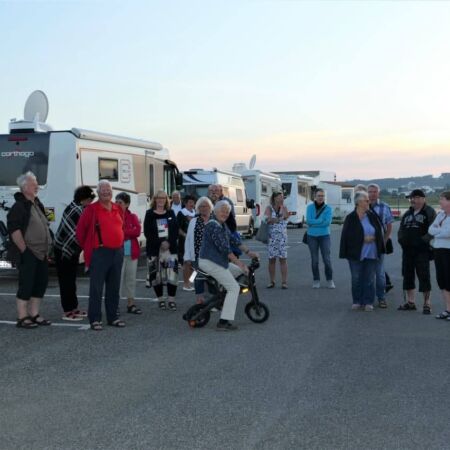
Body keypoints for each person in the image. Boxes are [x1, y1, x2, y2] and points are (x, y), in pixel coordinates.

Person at [199, 200, 258, 330]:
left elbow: (234, 240)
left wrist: (249, 252)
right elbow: (225, 249)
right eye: (222, 211)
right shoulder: (213, 226)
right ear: (215, 211)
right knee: (234, 288)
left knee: (240, 272)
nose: (225, 214)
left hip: (218, 262)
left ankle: (222, 297)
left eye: (227, 212)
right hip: (209, 262)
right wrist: (240, 263)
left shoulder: (222, 224)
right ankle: (223, 322)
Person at [76, 180, 125, 330]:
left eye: (108, 190)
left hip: (117, 252)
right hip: (100, 253)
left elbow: (121, 226)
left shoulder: (117, 208)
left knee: (114, 287)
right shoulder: (91, 209)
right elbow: (80, 233)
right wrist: (89, 247)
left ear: (112, 192)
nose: (106, 192)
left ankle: (113, 317)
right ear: (97, 193)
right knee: (96, 288)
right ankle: (95, 319)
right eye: (103, 190)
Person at [7, 171, 52, 328]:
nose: (37, 186)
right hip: (29, 253)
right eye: (34, 183)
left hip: (42, 253)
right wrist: (24, 251)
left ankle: (34, 314)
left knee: (40, 284)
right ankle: (22, 317)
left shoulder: (37, 204)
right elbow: (14, 231)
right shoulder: (19, 207)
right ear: (25, 187)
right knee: (26, 285)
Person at [54, 185, 95, 321]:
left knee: (71, 280)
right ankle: (67, 310)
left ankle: (74, 307)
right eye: (89, 200)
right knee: (66, 281)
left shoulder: (77, 207)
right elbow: (76, 233)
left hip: (70, 250)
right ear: (83, 199)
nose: (90, 202)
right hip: (63, 250)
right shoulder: (76, 210)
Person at [339, 191, 385, 311]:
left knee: (369, 278)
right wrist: (363, 239)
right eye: (366, 201)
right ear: (359, 202)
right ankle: (357, 300)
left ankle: (368, 301)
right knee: (356, 278)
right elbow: (346, 237)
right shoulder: (351, 218)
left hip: (371, 252)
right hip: (355, 253)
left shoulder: (372, 215)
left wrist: (375, 238)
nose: (368, 202)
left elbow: (379, 232)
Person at [397, 189, 436, 314]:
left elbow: (434, 229)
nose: (413, 200)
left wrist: (423, 241)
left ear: (422, 199)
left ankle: (427, 303)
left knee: (424, 276)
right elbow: (401, 229)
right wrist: (401, 240)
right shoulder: (408, 213)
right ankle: (410, 302)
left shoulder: (429, 211)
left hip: (422, 250)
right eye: (411, 198)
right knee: (407, 276)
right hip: (407, 250)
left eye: (415, 198)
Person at [144, 190, 179, 311]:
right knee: (156, 276)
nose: (161, 200)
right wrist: (161, 243)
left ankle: (171, 300)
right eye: (158, 198)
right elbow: (147, 232)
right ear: (155, 199)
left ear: (166, 200)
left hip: (170, 250)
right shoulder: (149, 214)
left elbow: (175, 230)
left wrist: (168, 242)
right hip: (155, 250)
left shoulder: (171, 212)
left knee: (172, 274)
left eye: (163, 198)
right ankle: (160, 300)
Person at [367, 183, 394, 308]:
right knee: (367, 273)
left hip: (379, 244)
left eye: (375, 192)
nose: (372, 194)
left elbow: (389, 226)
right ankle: (368, 298)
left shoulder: (384, 207)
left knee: (380, 273)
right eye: (370, 192)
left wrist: (384, 240)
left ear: (378, 193)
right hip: (365, 245)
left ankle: (381, 298)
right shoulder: (362, 206)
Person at [115, 192, 142, 315]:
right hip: (117, 253)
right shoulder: (113, 216)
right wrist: (127, 232)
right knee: (117, 280)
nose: (117, 204)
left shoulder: (133, 217)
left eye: (120, 202)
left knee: (130, 279)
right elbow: (114, 232)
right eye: (116, 202)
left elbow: (137, 231)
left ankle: (131, 304)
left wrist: (123, 232)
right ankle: (114, 305)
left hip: (131, 253)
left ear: (127, 204)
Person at [184, 196, 214, 304]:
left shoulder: (215, 221)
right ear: (198, 208)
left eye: (206, 206)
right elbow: (188, 239)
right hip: (197, 255)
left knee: (211, 279)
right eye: (201, 206)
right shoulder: (194, 221)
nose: (203, 208)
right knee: (198, 278)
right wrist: (187, 257)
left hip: (213, 257)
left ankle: (211, 301)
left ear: (210, 207)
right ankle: (200, 300)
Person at [305, 188, 334, 289]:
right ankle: (316, 280)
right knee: (315, 260)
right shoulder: (309, 207)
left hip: (324, 236)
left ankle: (330, 280)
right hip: (311, 236)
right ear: (315, 197)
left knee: (327, 259)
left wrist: (314, 222)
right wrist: (321, 220)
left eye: (322, 196)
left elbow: (327, 222)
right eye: (319, 196)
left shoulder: (328, 208)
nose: (321, 197)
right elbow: (308, 221)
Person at [428, 192, 450, 320]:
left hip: (448, 251)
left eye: (442, 199)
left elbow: (448, 233)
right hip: (438, 250)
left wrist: (438, 232)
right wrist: (440, 232)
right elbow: (430, 230)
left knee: (449, 280)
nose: (440, 201)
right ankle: (448, 309)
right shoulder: (441, 214)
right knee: (442, 281)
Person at [264, 192, 289, 289]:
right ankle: (272, 281)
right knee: (272, 260)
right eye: (279, 197)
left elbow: (286, 217)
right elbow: (267, 220)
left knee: (283, 259)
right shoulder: (269, 208)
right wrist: (279, 219)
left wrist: (275, 219)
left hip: (282, 238)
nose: (281, 199)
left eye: (282, 197)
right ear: (274, 198)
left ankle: (284, 282)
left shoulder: (284, 207)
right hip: (272, 238)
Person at [177, 195, 196, 291]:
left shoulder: (196, 213)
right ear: (185, 203)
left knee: (196, 264)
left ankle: (190, 282)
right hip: (184, 242)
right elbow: (178, 228)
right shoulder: (181, 213)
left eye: (193, 202)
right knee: (187, 263)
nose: (192, 204)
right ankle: (186, 284)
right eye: (190, 202)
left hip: (195, 242)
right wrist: (185, 235)